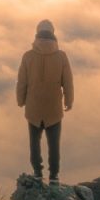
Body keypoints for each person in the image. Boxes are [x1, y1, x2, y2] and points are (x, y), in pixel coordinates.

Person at [16, 19, 74, 185]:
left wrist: (20, 100)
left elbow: (22, 81)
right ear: (53, 34)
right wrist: (69, 100)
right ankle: (54, 176)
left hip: (33, 107)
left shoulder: (28, 56)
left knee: (34, 142)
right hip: (54, 108)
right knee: (54, 144)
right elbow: (67, 81)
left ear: (37, 34)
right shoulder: (61, 56)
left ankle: (37, 173)